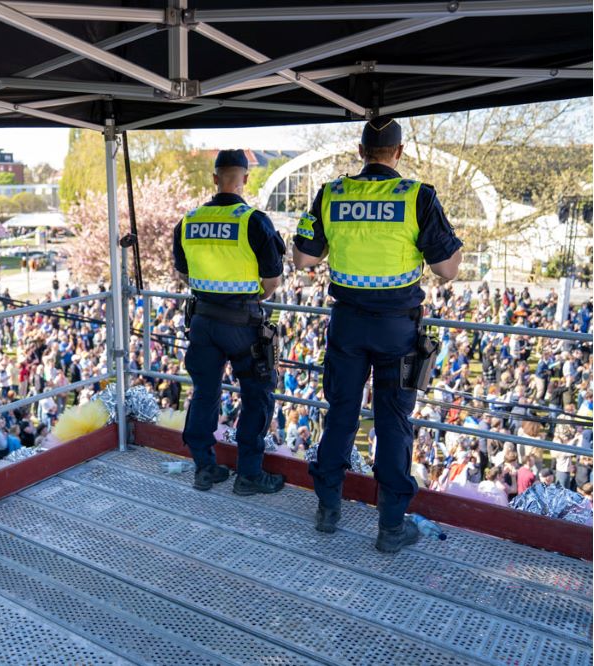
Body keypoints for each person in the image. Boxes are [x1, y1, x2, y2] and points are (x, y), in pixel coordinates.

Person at [292, 117, 463, 554]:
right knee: (392, 424)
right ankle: (390, 526)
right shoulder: (417, 196)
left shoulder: (332, 193)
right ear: (399, 153)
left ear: (361, 150)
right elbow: (447, 269)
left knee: (342, 415)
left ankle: (328, 508)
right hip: (397, 330)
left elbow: (303, 258)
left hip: (347, 324)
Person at [172, 149, 286, 495]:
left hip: (203, 321)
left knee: (205, 393)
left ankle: (205, 468)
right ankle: (248, 475)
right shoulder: (254, 221)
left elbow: (182, 272)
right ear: (246, 179)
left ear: (215, 178)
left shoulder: (188, 221)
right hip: (243, 325)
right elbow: (272, 280)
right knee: (257, 395)